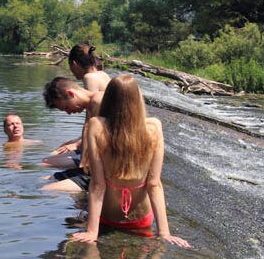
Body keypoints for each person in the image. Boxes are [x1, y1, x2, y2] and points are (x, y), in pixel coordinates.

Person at [70, 74, 192, 248]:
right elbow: (154, 184)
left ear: (108, 99)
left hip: (107, 216)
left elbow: (98, 185)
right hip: (141, 219)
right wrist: (164, 233)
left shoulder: (96, 125)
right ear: (138, 99)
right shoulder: (154, 127)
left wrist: (92, 232)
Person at [41, 76, 104, 191]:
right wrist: (82, 162)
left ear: (70, 93)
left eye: (66, 107)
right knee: (46, 179)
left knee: (47, 189)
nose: (69, 113)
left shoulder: (98, 102)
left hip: (107, 171)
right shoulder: (91, 104)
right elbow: (87, 132)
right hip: (96, 167)